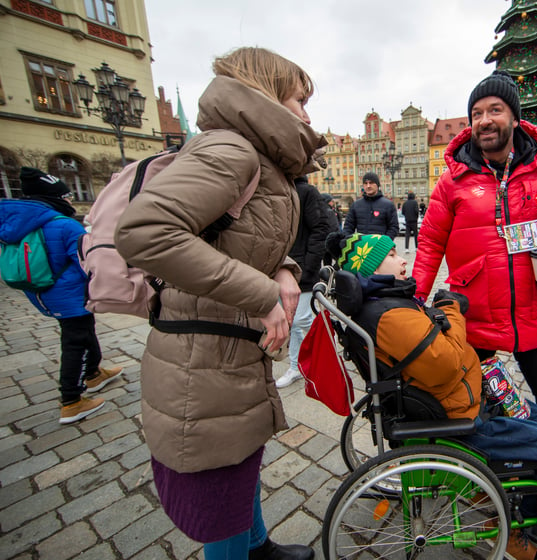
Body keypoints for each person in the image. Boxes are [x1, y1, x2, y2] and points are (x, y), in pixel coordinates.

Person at [114, 47, 326, 560]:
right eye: (300, 99)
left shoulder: (258, 157)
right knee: (219, 487)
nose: (307, 114)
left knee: (238, 460)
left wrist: (283, 268)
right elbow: (147, 232)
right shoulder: (232, 150)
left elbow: (238, 244)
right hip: (202, 357)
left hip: (226, 348)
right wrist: (262, 293)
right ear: (268, 93)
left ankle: (258, 547)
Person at [412, 70, 537, 516]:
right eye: (477, 113)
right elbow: (431, 242)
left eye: (494, 110)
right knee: (471, 394)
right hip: (474, 310)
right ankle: (477, 462)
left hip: (532, 307)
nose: (484, 120)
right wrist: (414, 297)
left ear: (514, 116)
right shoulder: (453, 180)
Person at [327, 231, 537, 560]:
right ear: (369, 270)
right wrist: (451, 310)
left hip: (461, 398)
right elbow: (447, 363)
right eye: (392, 256)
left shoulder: (386, 303)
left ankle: (493, 495)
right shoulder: (391, 317)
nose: (403, 260)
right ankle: (520, 529)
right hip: (461, 418)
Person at [0, 168, 123, 425]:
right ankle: (72, 400)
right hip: (70, 293)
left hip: (43, 292)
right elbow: (87, 262)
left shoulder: (17, 224)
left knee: (83, 331)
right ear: (56, 197)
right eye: (66, 195)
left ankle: (93, 373)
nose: (69, 200)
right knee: (75, 340)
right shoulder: (64, 224)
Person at [275, 177, 337, 389]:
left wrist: (309, 265)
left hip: (302, 269)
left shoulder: (306, 191)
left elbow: (322, 229)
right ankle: (296, 366)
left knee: (302, 319)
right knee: (291, 322)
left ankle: (328, 358)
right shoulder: (277, 188)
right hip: (279, 267)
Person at [341, 172, 398, 239]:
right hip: (361, 246)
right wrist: (349, 241)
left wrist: (384, 242)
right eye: (366, 183)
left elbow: (393, 227)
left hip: (381, 246)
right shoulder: (356, 205)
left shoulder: (388, 205)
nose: (368, 186)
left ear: (377, 185)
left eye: (371, 183)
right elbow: (348, 227)